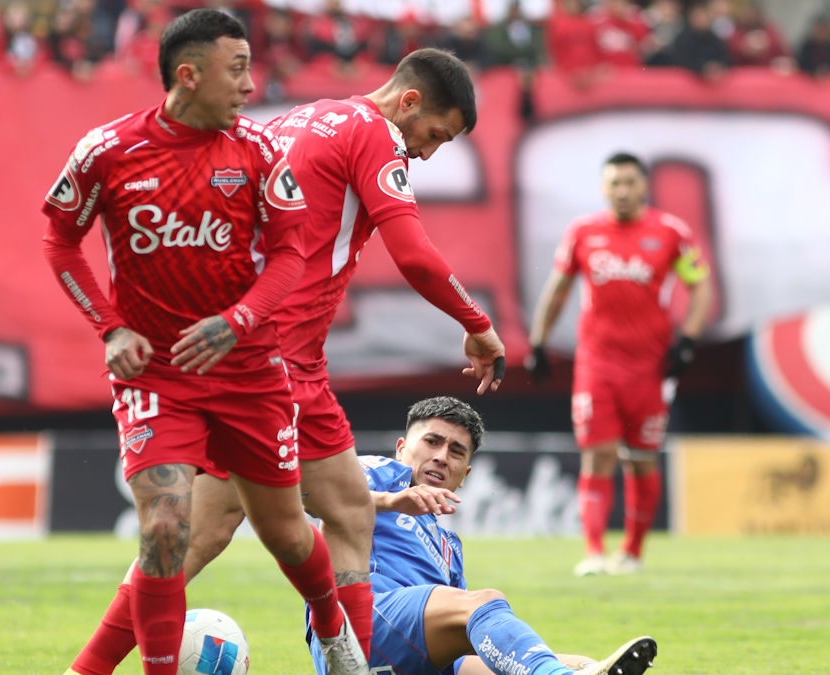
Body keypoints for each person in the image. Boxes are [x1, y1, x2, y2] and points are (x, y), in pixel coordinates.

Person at [62, 45, 507, 673]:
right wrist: (478, 325)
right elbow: (414, 254)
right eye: (435, 134)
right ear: (409, 101)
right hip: (274, 357)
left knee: (341, 510)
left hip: (270, 350)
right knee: (205, 533)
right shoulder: (375, 133)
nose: (428, 153)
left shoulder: (303, 118)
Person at [44, 9, 367, 675]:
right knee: (166, 528)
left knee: (285, 532)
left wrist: (239, 321)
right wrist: (110, 326)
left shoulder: (258, 151)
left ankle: (332, 627)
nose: (250, 85)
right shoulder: (107, 150)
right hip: (156, 373)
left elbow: (291, 252)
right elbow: (60, 241)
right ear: (188, 75)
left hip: (248, 370)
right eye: (238, 69)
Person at [307, 396, 659, 675]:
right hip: (355, 633)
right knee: (484, 603)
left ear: (465, 475)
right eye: (432, 442)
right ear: (401, 448)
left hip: (408, 658)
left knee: (578, 663)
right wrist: (392, 500)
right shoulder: (378, 473)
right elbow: (311, 496)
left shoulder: (449, 548)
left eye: (456, 451)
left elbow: (459, 647)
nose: (441, 457)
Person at [524, 152, 714, 577]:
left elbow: (700, 287)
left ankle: (632, 552)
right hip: (597, 365)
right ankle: (593, 551)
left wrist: (688, 339)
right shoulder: (583, 233)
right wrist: (538, 342)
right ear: (603, 188)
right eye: (615, 183)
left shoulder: (671, 233)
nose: (623, 191)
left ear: (644, 185)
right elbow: (558, 289)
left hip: (650, 369)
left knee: (641, 459)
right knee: (598, 455)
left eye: (630, 182)